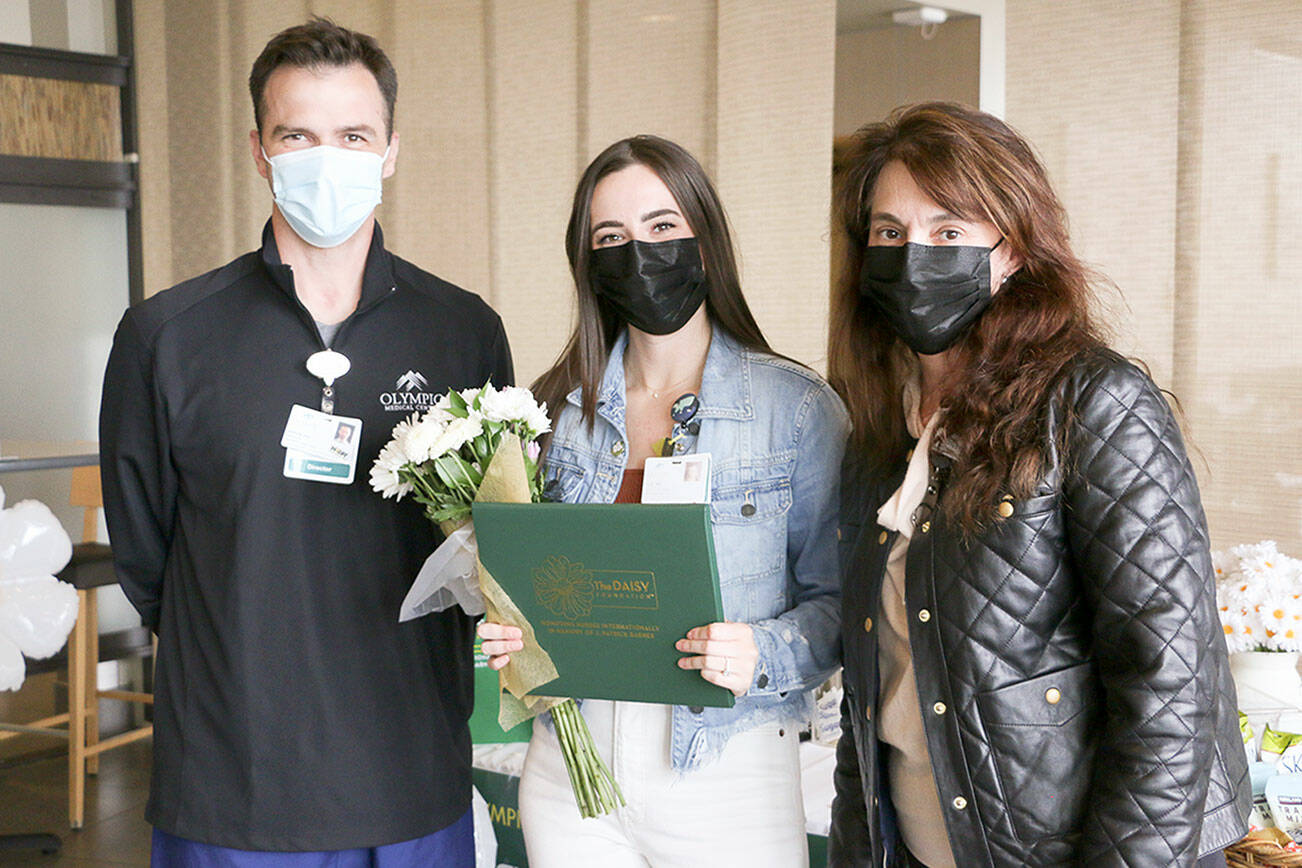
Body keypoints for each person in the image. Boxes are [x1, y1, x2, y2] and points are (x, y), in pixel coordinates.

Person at [99, 18, 511, 865]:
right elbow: (147, 559)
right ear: (260, 150)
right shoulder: (165, 335)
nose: (329, 158)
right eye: (299, 135)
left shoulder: (462, 331)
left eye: (354, 135)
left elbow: (490, 538)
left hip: (411, 776)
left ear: (391, 149)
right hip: (232, 787)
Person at [826, 102, 1250, 867]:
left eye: (949, 231)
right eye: (889, 233)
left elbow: (1172, 690)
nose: (913, 254)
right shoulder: (883, 433)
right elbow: (873, 695)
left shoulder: (1093, 402)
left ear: (1014, 248)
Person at [478, 135, 848, 866]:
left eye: (660, 228)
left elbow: (842, 605)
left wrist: (762, 651)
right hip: (569, 776)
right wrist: (514, 636)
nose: (637, 253)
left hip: (728, 771)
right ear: (589, 265)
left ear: (704, 242)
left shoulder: (797, 410)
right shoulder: (550, 413)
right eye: (610, 237)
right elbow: (532, 591)